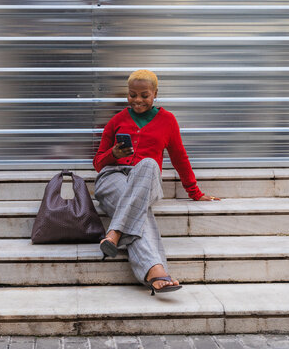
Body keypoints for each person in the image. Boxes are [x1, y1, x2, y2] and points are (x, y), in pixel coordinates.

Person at [93, 69, 220, 296]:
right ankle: (156, 270)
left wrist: (195, 192)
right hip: (112, 177)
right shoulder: (117, 120)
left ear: (155, 94)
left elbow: (179, 157)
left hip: (145, 179)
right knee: (138, 210)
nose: (138, 100)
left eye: (144, 95)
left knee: (150, 163)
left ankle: (115, 232)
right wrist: (114, 153)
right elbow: (98, 163)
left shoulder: (168, 120)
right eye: (132, 95)